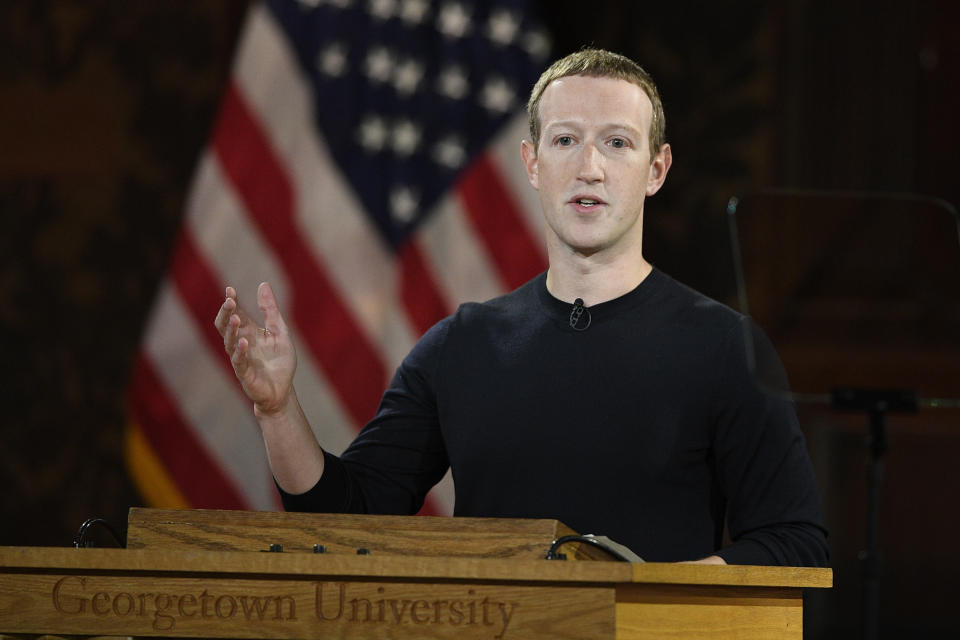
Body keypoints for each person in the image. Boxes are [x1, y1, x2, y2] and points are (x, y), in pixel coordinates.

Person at [214, 48, 828, 566]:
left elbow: (795, 542)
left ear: (656, 169)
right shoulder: (460, 346)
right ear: (533, 163)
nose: (590, 167)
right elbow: (346, 520)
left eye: (617, 143)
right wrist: (277, 410)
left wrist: (658, 597)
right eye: (566, 140)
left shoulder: (725, 347)